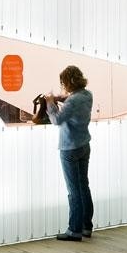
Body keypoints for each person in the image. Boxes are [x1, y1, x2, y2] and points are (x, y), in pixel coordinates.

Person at [44, 65, 93, 242]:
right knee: (83, 186)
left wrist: (50, 103)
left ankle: (74, 230)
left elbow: (57, 119)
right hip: (84, 145)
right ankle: (87, 226)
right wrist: (58, 97)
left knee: (74, 191)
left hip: (69, 148)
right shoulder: (87, 95)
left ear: (68, 82)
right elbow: (72, 99)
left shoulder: (72, 101)